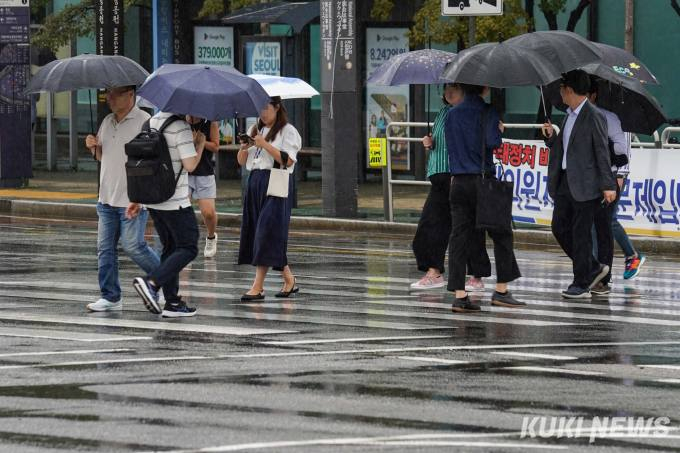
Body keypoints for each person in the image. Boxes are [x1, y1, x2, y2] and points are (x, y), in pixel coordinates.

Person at [445, 84, 524, 312]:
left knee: (459, 237)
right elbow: (493, 142)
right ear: (484, 88)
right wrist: (499, 129)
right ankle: (501, 289)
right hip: (482, 182)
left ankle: (460, 294)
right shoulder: (488, 111)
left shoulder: (452, 114)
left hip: (458, 181)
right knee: (501, 233)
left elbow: (450, 145)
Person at [84, 85, 160, 312]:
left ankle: (164, 279)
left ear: (130, 95)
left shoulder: (145, 121)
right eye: (108, 93)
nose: (109, 97)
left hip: (132, 198)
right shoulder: (107, 121)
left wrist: (142, 196)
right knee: (104, 249)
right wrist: (92, 146)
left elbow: (152, 160)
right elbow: (102, 156)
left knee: (134, 246)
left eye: (115, 93)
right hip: (106, 197)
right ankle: (110, 296)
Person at [542, 70, 617, 299]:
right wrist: (551, 139)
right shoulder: (569, 115)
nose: (560, 93)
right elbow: (567, 149)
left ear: (570, 90)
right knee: (559, 227)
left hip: (587, 184)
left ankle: (581, 282)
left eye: (562, 89)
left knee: (581, 233)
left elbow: (602, 151)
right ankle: (593, 268)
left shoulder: (593, 115)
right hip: (566, 181)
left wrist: (608, 184)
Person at [410, 83, 490, 291]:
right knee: (431, 223)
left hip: (458, 176)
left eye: (454, 87)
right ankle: (434, 270)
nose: (448, 91)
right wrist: (430, 142)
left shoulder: (468, 112)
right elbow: (441, 143)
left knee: (468, 228)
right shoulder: (444, 112)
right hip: (439, 177)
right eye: (446, 87)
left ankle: (476, 275)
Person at [128, 111, 206, 317]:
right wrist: (199, 144)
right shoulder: (180, 127)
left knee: (170, 248)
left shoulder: (150, 122)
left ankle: (172, 302)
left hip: (154, 199)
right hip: (176, 200)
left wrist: (137, 199)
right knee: (188, 247)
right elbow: (190, 165)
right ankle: (152, 283)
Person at [237, 96, 301, 301]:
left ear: (277, 107)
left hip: (275, 182)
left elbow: (288, 160)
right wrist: (244, 147)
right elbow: (242, 161)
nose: (262, 112)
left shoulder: (288, 131)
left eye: (266, 107)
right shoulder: (256, 129)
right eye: (259, 108)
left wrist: (264, 144)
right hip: (255, 182)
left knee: (265, 232)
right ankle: (289, 279)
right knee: (259, 232)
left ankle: (258, 286)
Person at [587, 78, 645, 293]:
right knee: (600, 223)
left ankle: (627, 258)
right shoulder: (600, 114)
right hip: (602, 175)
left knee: (606, 221)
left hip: (615, 175)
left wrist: (620, 176)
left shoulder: (619, 115)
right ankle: (605, 267)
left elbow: (623, 150)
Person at [186, 115, 220, 258]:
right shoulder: (181, 121)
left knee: (208, 213)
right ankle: (184, 241)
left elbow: (216, 146)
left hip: (204, 172)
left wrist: (201, 141)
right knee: (182, 209)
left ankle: (211, 237)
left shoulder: (209, 122)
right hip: (185, 172)